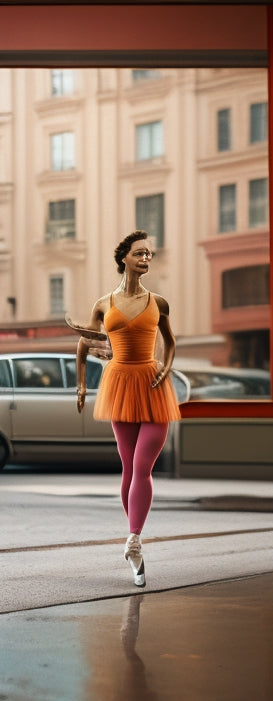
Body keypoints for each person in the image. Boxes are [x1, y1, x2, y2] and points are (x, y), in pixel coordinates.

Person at [71, 230, 181, 587]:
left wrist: (165, 368)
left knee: (142, 466)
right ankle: (133, 536)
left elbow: (170, 342)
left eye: (149, 254)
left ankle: (134, 539)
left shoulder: (159, 302)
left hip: (152, 384)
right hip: (118, 382)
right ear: (124, 258)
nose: (146, 258)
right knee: (128, 467)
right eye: (139, 253)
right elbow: (85, 344)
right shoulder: (103, 304)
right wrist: (82, 384)